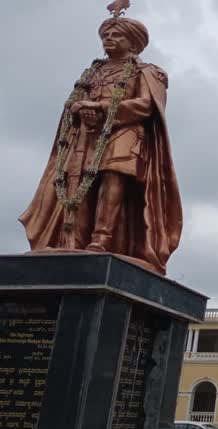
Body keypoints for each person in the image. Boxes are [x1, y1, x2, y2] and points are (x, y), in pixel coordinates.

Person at [19, 4, 181, 275]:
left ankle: (101, 239)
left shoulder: (148, 72)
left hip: (124, 135)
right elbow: (73, 101)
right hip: (85, 136)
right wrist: (78, 108)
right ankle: (74, 240)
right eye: (106, 35)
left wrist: (102, 108)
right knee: (78, 185)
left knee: (112, 182)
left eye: (116, 35)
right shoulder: (92, 72)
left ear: (133, 43)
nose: (108, 39)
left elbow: (146, 105)